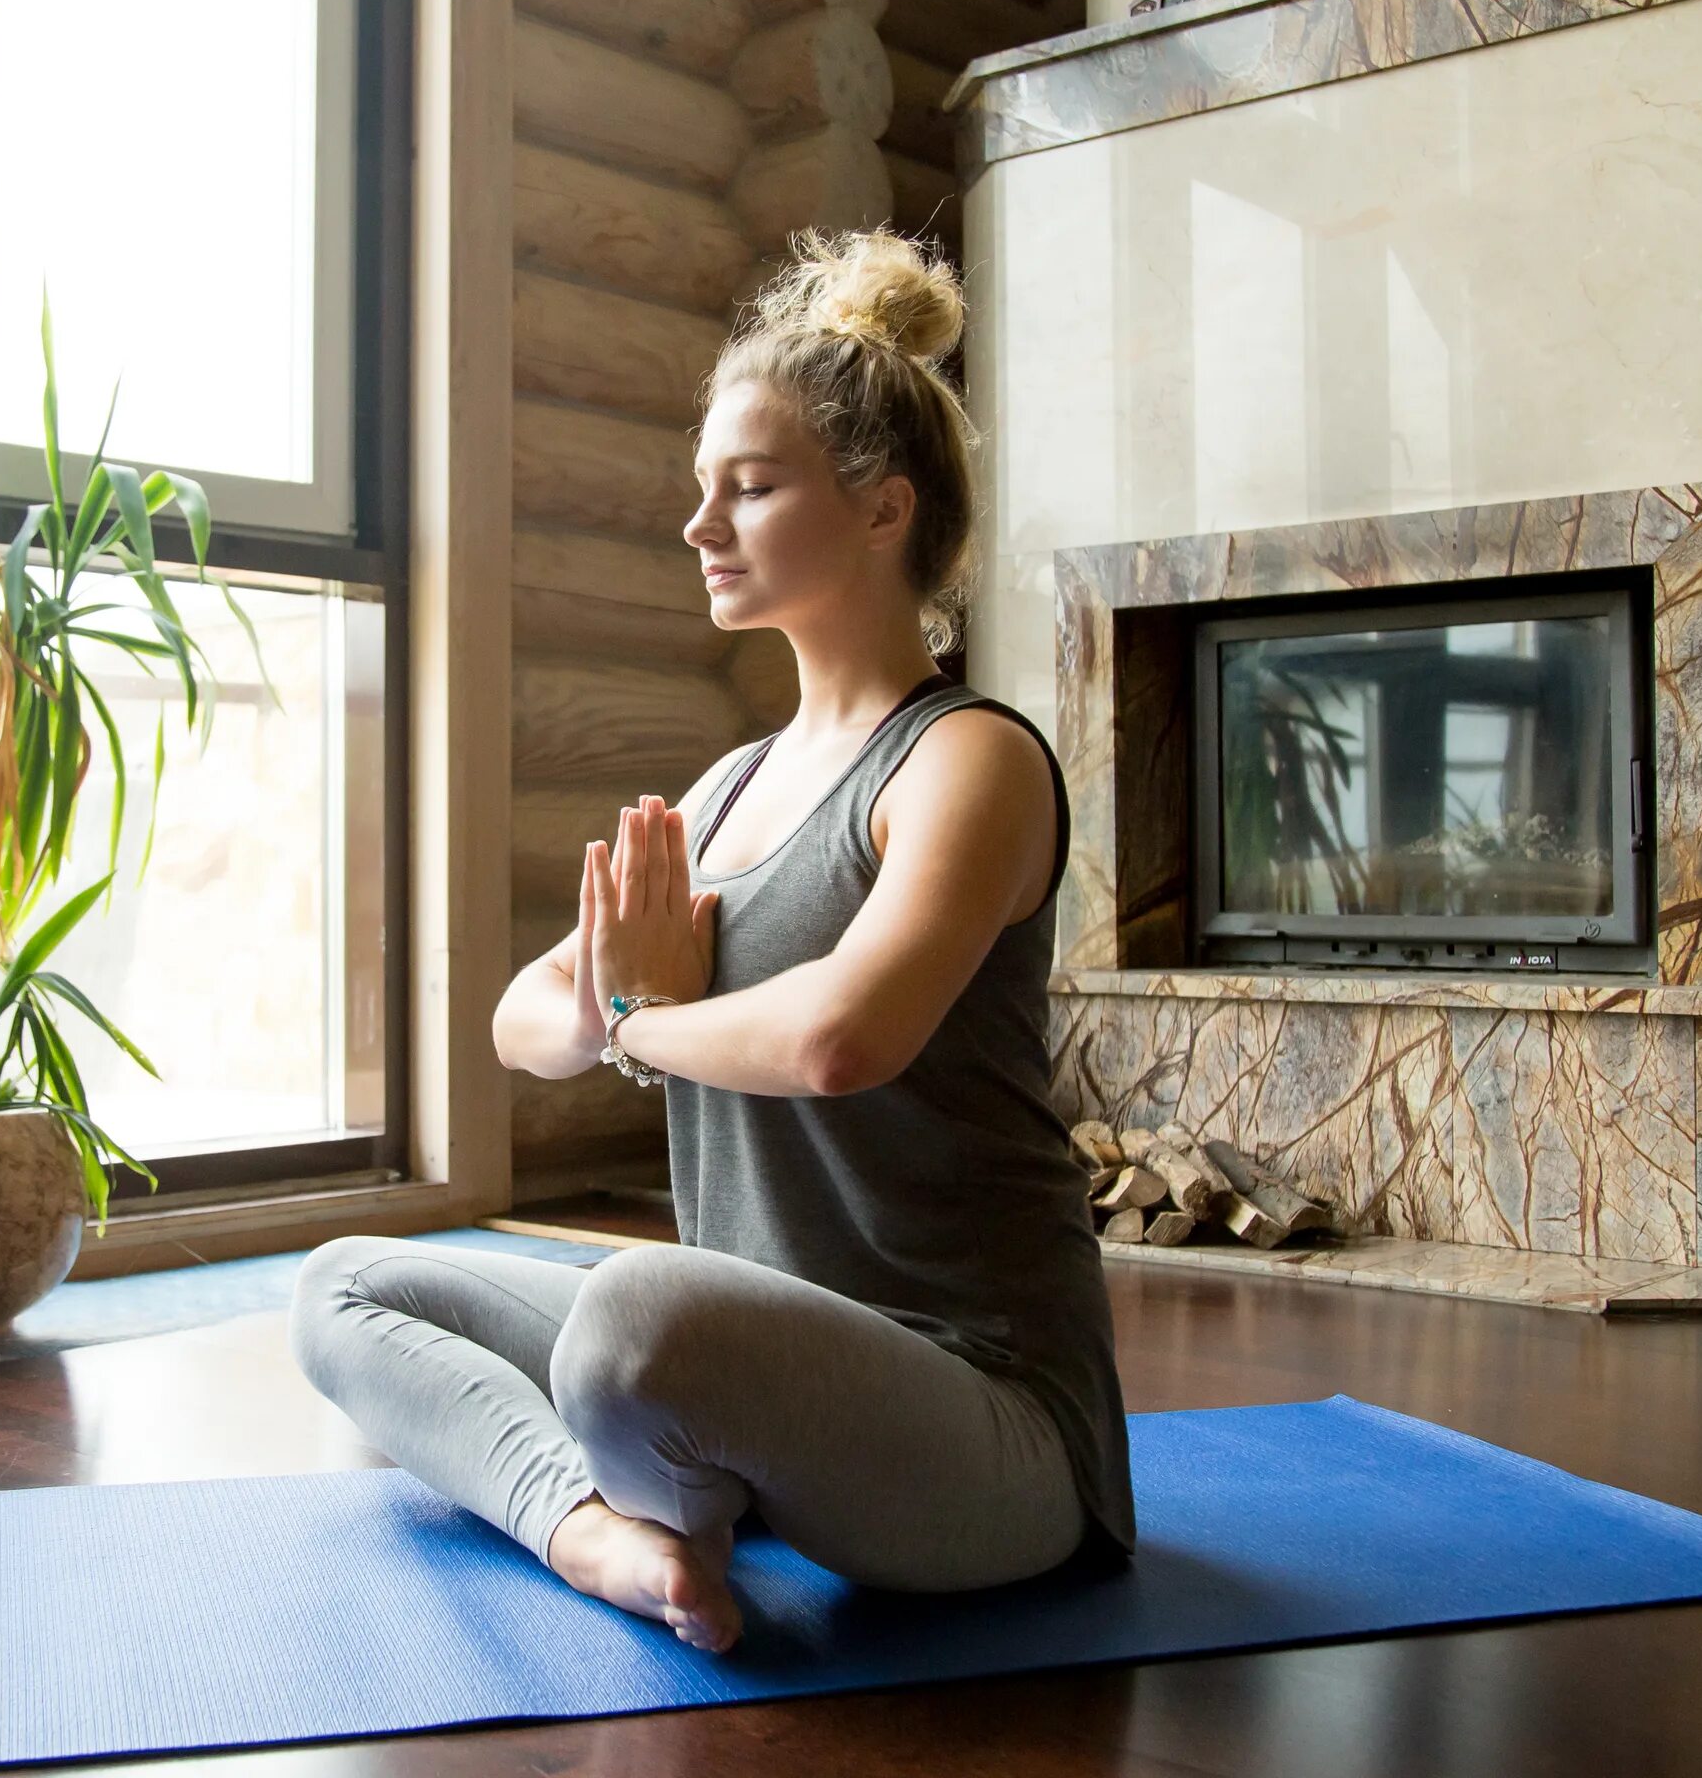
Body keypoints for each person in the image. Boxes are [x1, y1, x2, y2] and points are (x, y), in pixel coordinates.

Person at [289, 229, 1133, 1654]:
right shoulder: (728, 788)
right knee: (344, 1287)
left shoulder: (966, 761)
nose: (701, 525)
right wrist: (612, 1005)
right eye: (702, 490)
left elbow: (838, 1038)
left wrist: (631, 1025)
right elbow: (522, 1019)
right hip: (760, 1375)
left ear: (882, 510)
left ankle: (668, 1490)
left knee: (635, 1321)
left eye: (749, 487)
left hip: (984, 1426)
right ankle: (599, 1534)